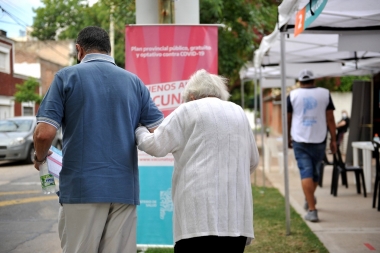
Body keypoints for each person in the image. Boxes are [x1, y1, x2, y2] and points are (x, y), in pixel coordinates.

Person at [33, 26, 163, 253]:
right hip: (125, 189)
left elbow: (44, 133)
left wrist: (40, 157)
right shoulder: (135, 83)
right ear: (108, 50)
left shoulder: (66, 77)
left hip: (83, 189)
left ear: (79, 50)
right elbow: (159, 132)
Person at [135, 69, 259, 253]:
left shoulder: (188, 109)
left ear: (192, 96)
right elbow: (253, 161)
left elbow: (155, 145)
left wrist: (138, 130)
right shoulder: (238, 112)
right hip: (236, 219)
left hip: (197, 219)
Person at [287, 69, 337, 222]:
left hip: (299, 138)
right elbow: (330, 118)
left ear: (300, 81)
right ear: (314, 81)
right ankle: (311, 206)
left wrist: (288, 135)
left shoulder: (293, 95)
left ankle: (311, 205)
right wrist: (334, 139)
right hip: (319, 138)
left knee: (307, 172)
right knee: (314, 173)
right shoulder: (325, 93)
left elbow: (288, 118)